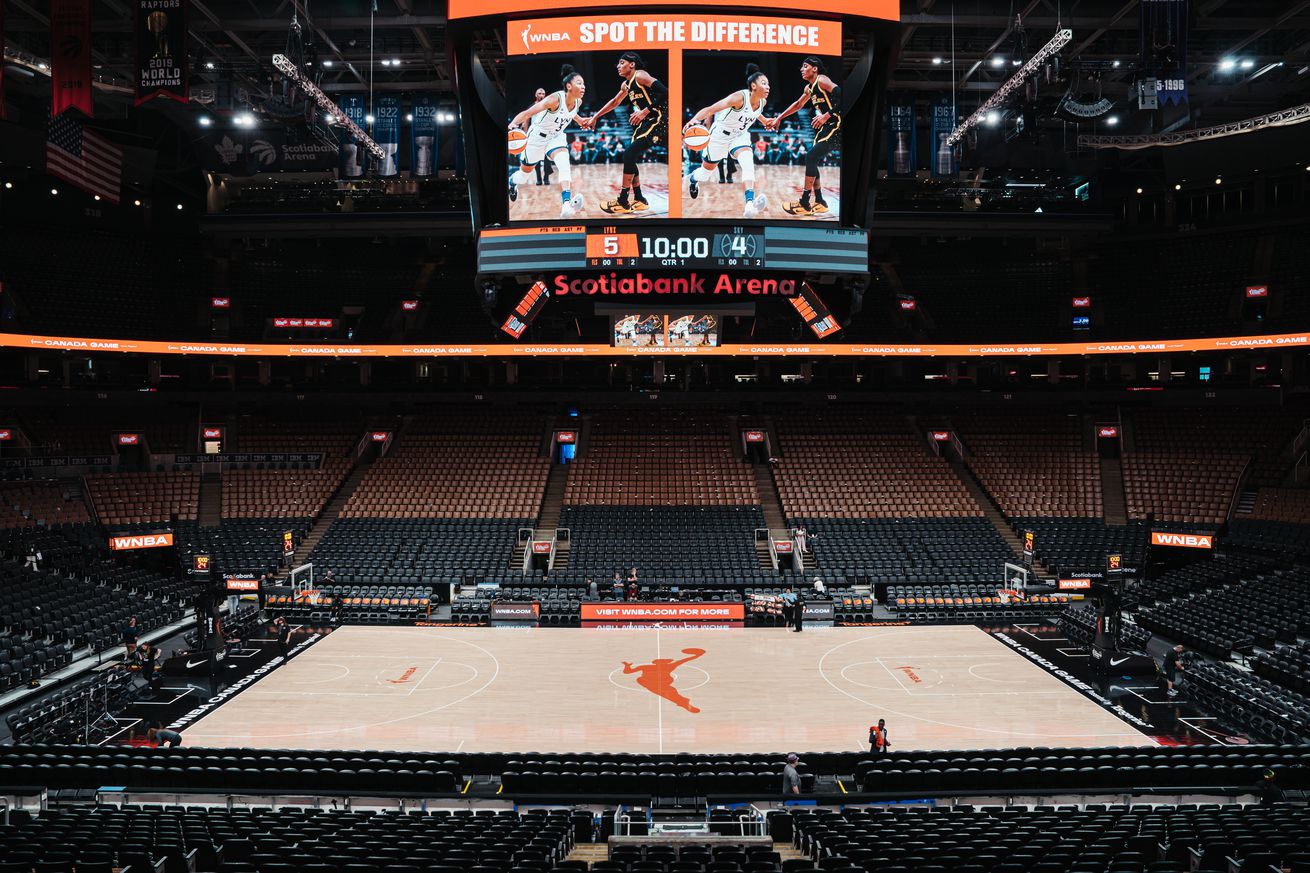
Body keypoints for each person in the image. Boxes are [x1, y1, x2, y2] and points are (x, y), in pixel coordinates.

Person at [580, 52, 668, 215]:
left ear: (632, 64)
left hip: (659, 119)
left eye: (622, 63)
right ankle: (640, 200)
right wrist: (595, 117)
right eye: (618, 64)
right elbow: (614, 102)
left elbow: (666, 92)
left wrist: (644, 111)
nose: (618, 66)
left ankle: (622, 200)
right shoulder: (626, 85)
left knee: (629, 153)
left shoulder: (640, 75)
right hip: (645, 122)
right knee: (630, 156)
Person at [684, 64, 770, 217]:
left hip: (739, 135)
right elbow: (710, 109)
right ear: (753, 85)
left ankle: (749, 204)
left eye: (768, 84)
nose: (768, 87)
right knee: (705, 174)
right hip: (719, 136)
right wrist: (693, 120)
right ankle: (692, 179)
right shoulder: (738, 97)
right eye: (764, 83)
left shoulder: (762, 102)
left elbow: (755, 114)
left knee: (747, 161)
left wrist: (765, 121)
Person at [764, 56, 841, 217]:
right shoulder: (809, 88)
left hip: (837, 125)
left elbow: (844, 96)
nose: (801, 69)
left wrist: (826, 115)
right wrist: (778, 118)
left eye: (805, 66)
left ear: (815, 68)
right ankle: (819, 202)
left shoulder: (822, 80)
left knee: (811, 157)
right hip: (826, 127)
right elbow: (798, 105)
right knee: (813, 158)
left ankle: (805, 202)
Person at [509, 65, 587, 218]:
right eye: (579, 83)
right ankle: (511, 182)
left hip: (556, 137)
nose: (583, 86)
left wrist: (580, 120)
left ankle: (566, 204)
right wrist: (511, 125)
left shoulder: (578, 102)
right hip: (536, 138)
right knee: (523, 176)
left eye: (584, 83)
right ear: (569, 86)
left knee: (564, 163)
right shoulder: (554, 99)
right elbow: (527, 113)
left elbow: (570, 114)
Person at [622, 648, 705, 712]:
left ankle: (686, 705)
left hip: (657, 685)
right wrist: (697, 655)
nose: (664, 663)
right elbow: (683, 660)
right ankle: (686, 706)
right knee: (673, 695)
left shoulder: (646, 667)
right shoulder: (668, 666)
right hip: (654, 685)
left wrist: (627, 665)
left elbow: (627, 672)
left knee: (673, 694)